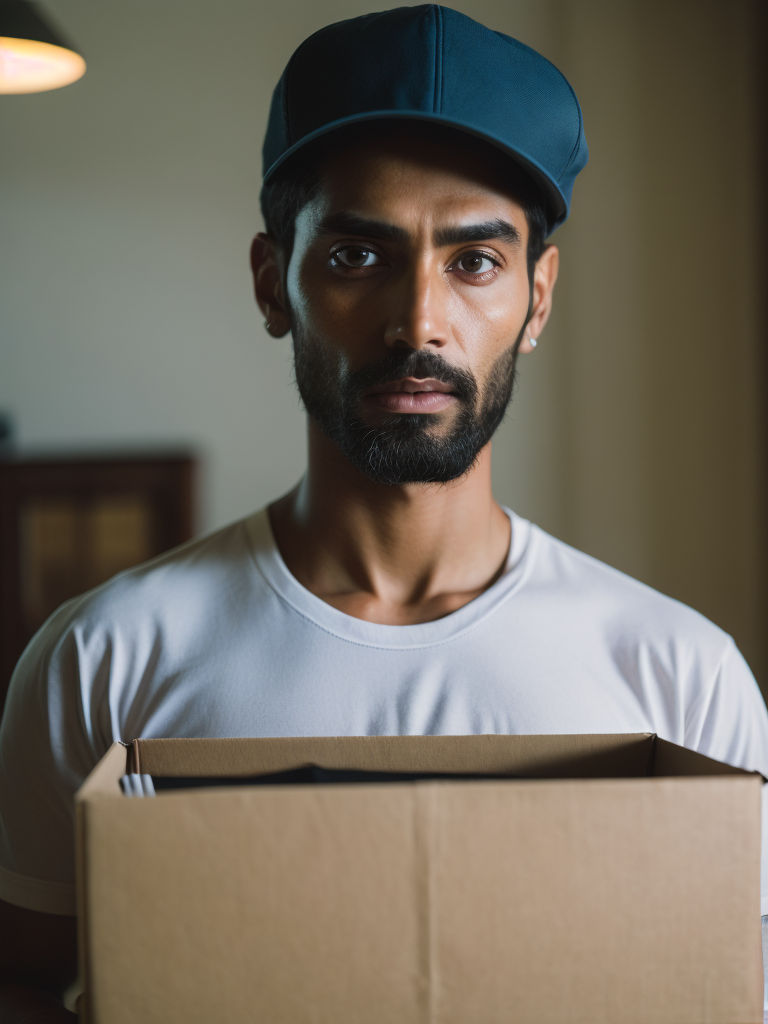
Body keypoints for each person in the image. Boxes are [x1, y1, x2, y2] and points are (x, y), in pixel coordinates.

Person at [2, 5, 768, 1021]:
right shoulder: (106, 657)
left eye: (476, 261)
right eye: (358, 256)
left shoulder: (679, 677)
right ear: (276, 285)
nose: (419, 320)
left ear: (538, 299)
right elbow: (28, 984)